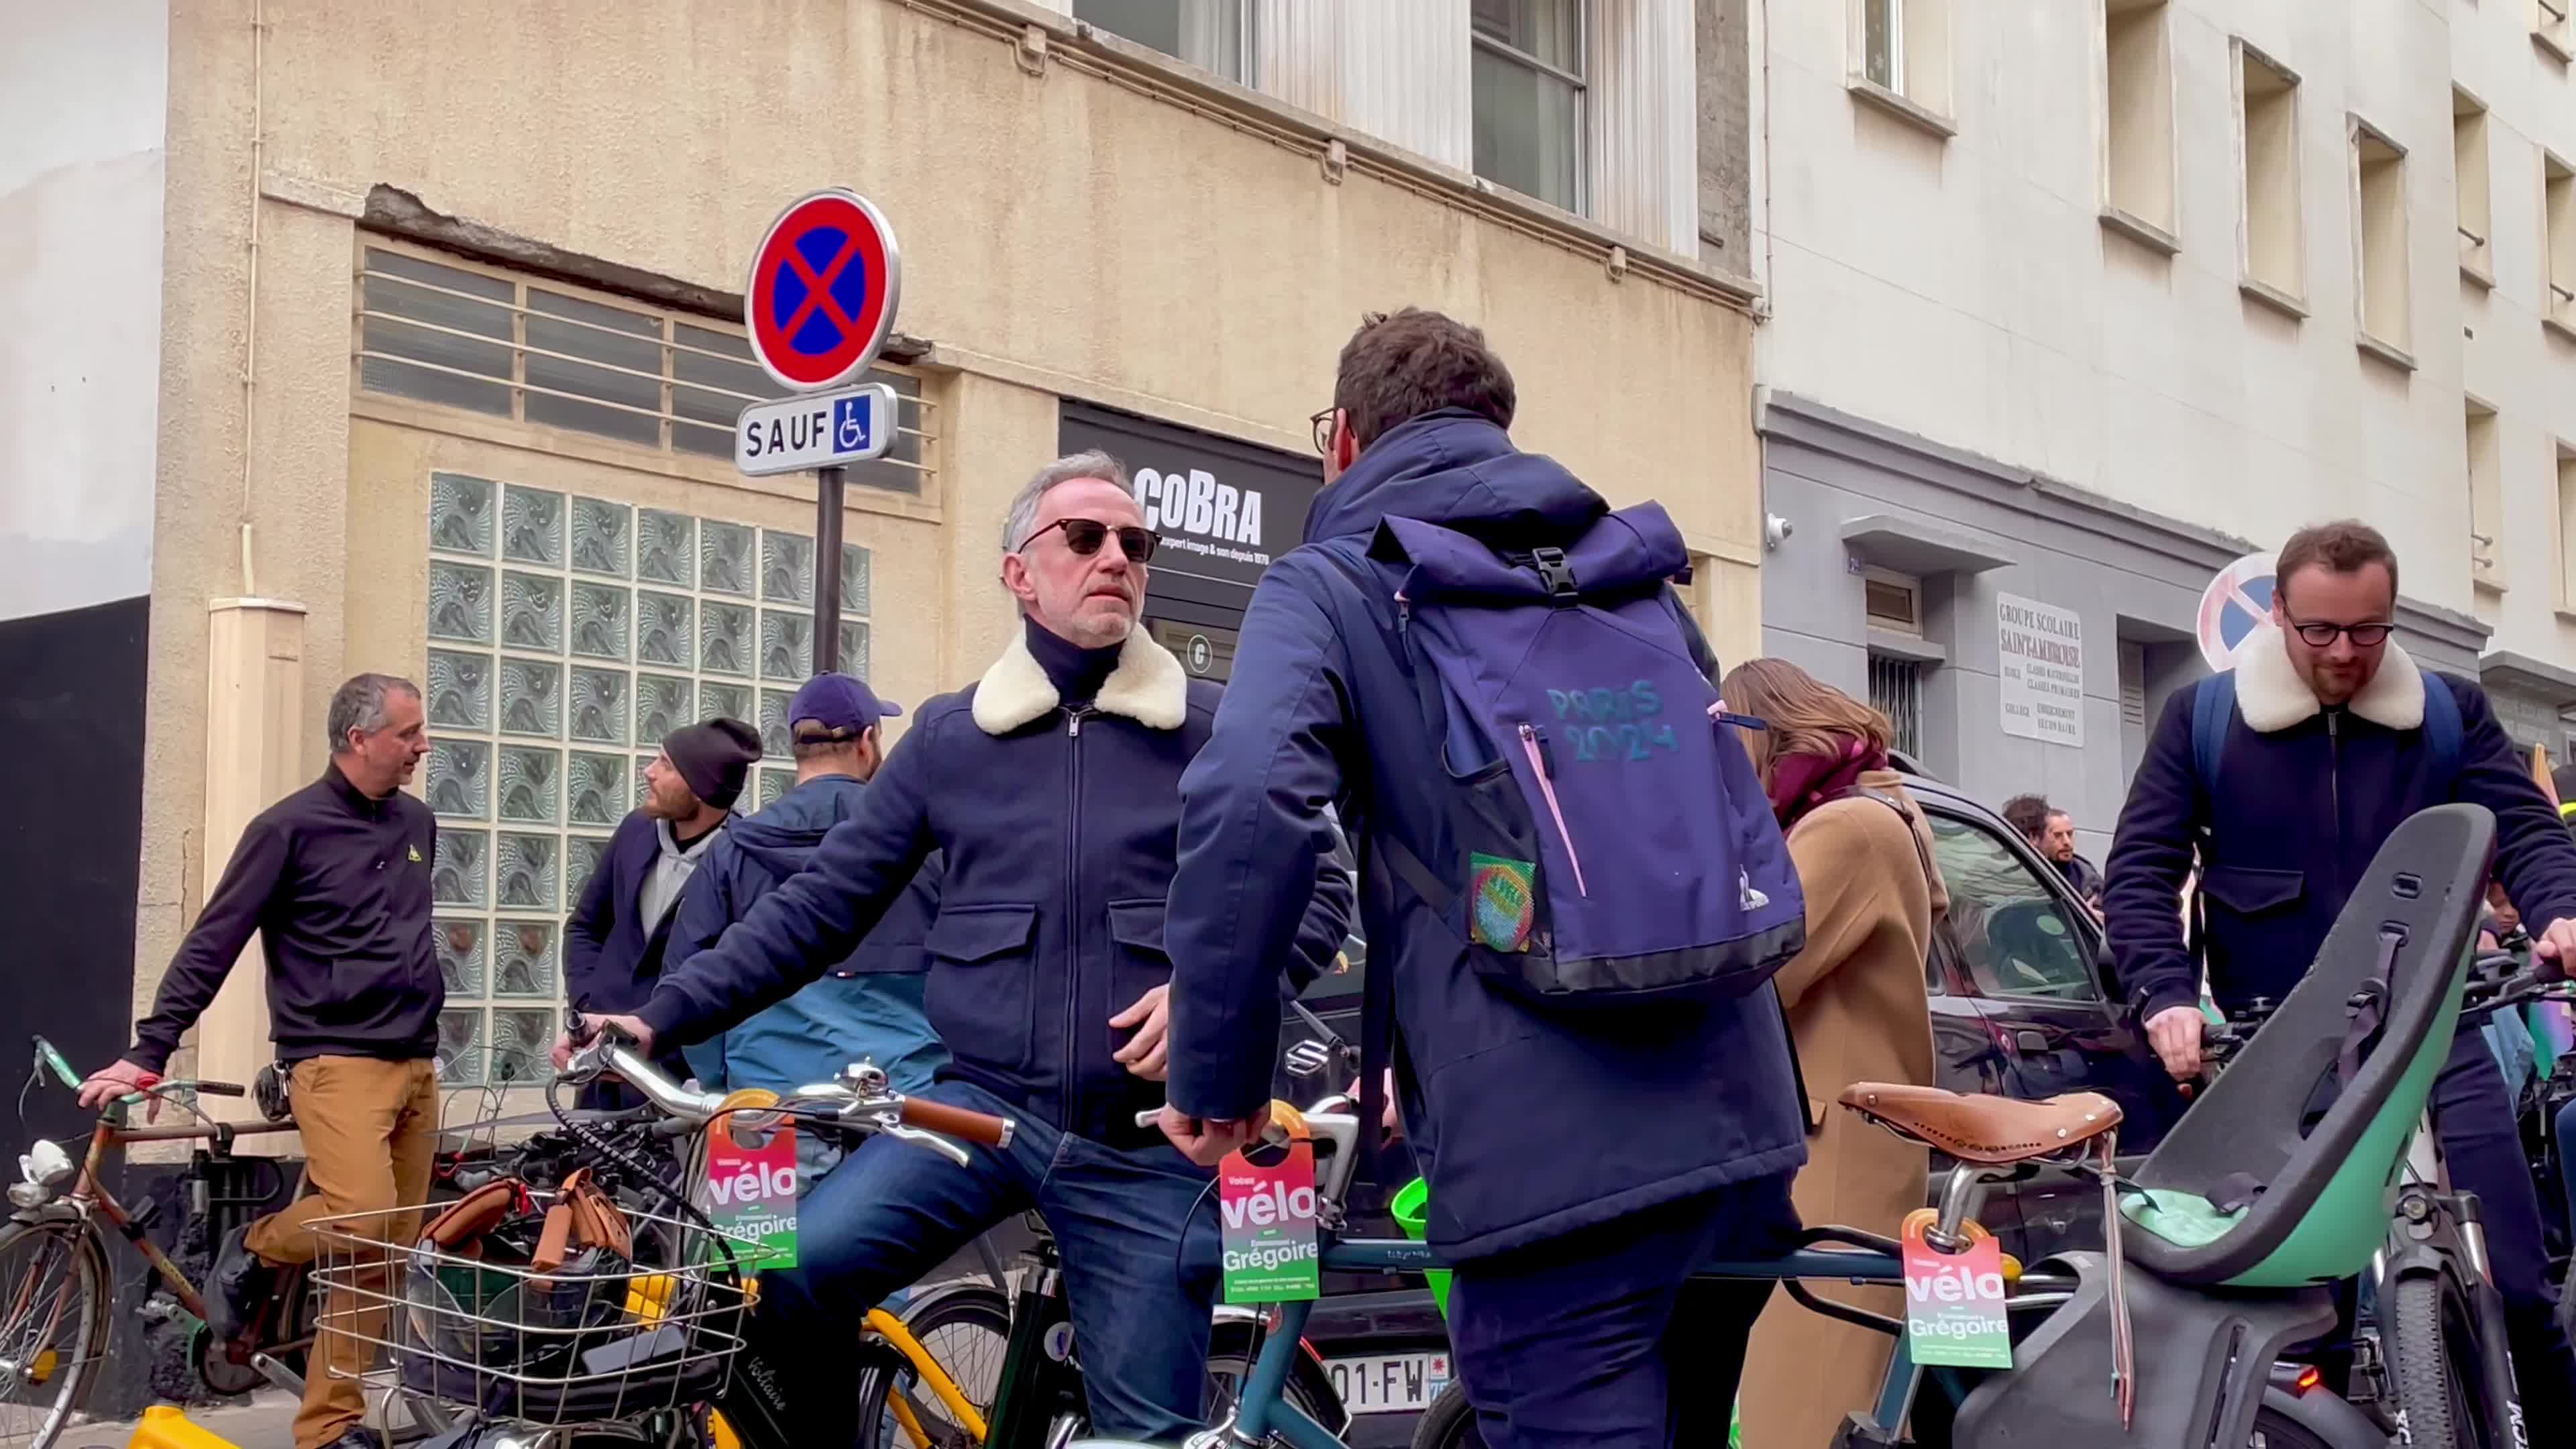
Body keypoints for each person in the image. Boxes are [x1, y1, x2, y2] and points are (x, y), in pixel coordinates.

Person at [555, 450, 1352, 1443]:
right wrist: (655, 1016)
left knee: (1145, 1435)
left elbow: (1323, 887)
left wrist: (1212, 997)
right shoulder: (950, 739)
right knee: (789, 1276)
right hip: (977, 1114)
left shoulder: (1212, 728)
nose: (1117, 557)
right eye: (1085, 537)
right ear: (1019, 572)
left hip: (1144, 1142)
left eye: (1135, 542)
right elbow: (819, 908)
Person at [1159, 309, 1807, 1448]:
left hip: (1549, 1181)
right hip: (1737, 1137)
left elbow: (1251, 799)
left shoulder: (1333, 586)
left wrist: (1216, 1079)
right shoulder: (1630, 579)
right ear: (1497, 426)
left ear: (1343, 438)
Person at [2103, 519, 2576, 1417]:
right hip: (2280, 1049)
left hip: (2441, 1032)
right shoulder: (2204, 720)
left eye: (2368, 629)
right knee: (2299, 1323)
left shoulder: (2447, 714)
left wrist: (2561, 910)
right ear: (2277, 614)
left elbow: (2526, 830)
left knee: (2517, 1290)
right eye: (2318, 629)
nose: (2345, 653)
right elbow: (2140, 872)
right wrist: (2164, 994)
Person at [76, 674, 433, 1449]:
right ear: (358, 738)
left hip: (417, 1060)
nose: (422, 746)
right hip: (336, 1059)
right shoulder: (288, 829)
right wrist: (150, 1048)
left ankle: (330, 1427)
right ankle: (257, 1243)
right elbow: (217, 939)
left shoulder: (416, 821)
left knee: (379, 1255)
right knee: (365, 1219)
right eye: (407, 734)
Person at [1721, 659, 1946, 1449]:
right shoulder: (1881, 806)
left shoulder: (1842, 829)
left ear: (1767, 737)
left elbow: (1759, 972)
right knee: (1853, 1404)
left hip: (1835, 1149)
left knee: (1808, 1404)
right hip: (1855, 1140)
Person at [666, 672, 947, 1183]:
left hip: (762, 1112)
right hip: (905, 1111)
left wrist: (724, 1084)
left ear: (797, 748)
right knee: (906, 1237)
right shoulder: (926, 848)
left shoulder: (733, 850)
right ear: (868, 742)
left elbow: (687, 984)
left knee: (750, 1238)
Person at [563, 716, 760, 1106]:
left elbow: (744, 972)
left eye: (666, 765)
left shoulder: (743, 857)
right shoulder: (635, 831)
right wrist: (588, 1009)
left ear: (701, 789)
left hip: (681, 1080)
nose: (648, 772)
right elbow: (585, 927)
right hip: (604, 1061)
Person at [2003, 793, 2102, 910]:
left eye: (2070, 834)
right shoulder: (2018, 882)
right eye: (2057, 835)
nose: (2067, 842)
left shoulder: (2085, 874)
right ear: (2033, 837)